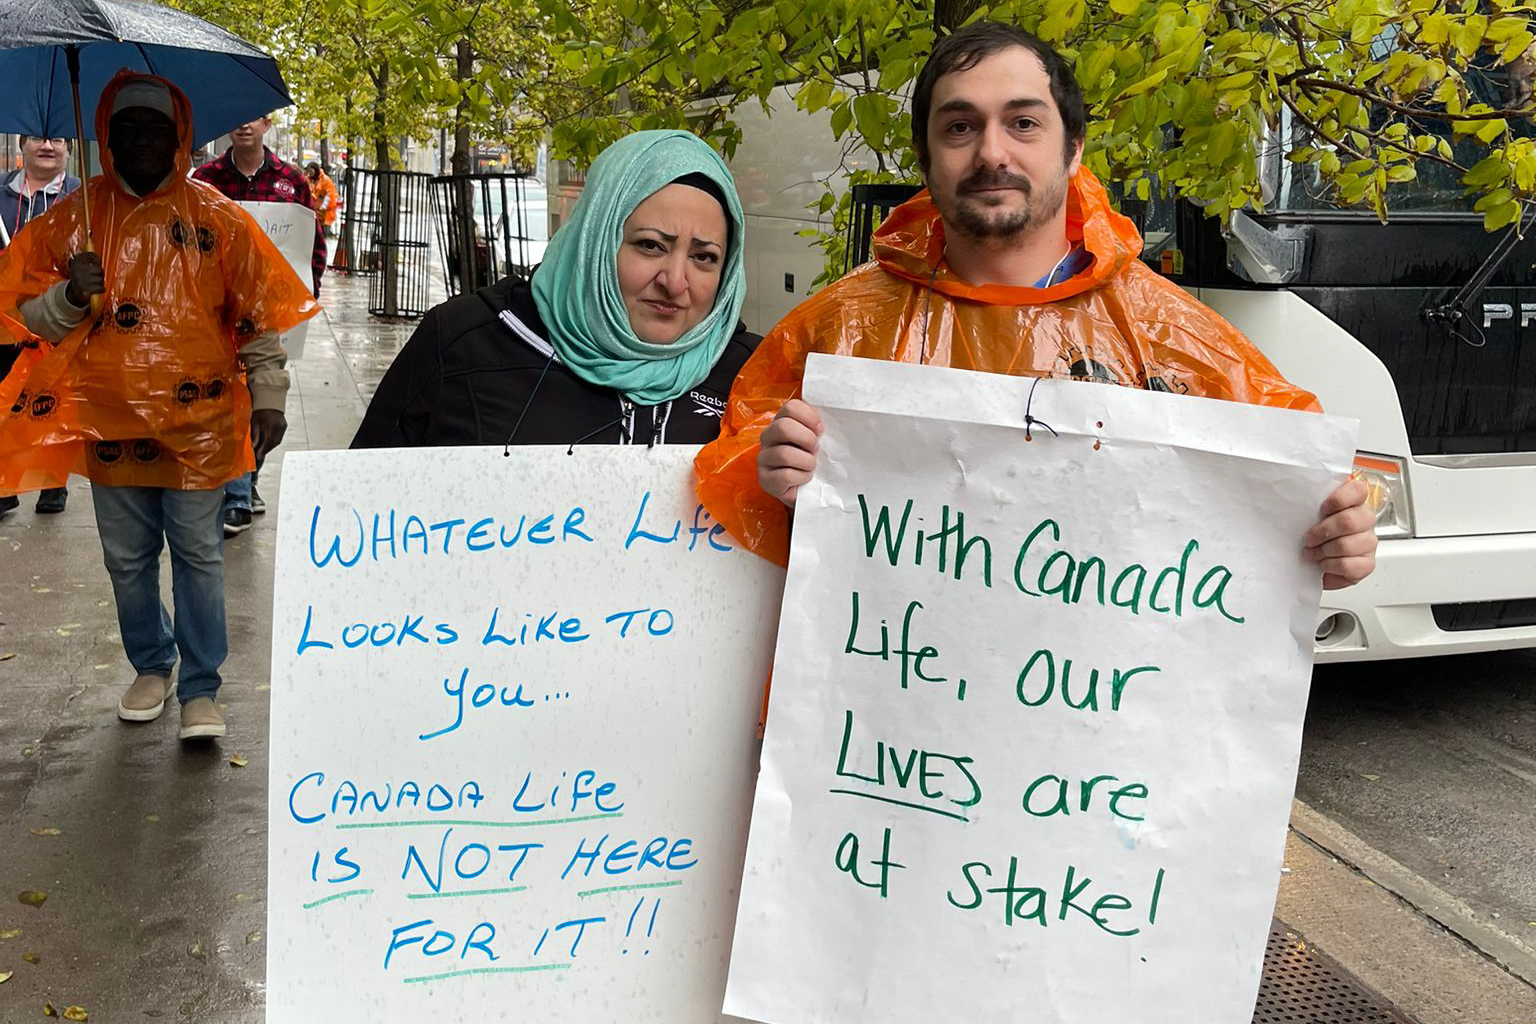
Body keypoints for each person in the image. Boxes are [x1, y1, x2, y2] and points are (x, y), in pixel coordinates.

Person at [695, 20, 1378, 590]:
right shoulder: (836, 329)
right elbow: (741, 489)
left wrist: (1335, 535)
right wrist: (771, 474)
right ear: (925, 159)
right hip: (892, 725)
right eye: (959, 128)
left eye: (1023, 122)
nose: (992, 152)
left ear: (1073, 148)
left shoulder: (1170, 335)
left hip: (1098, 724)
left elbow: (1293, 485)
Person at [0, 72, 318, 739]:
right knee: (126, 557)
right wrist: (66, 295)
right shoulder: (77, 218)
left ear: (177, 137)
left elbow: (258, 317)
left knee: (198, 553)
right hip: (110, 422)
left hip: (199, 423)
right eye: (127, 129)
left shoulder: (217, 219)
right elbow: (23, 312)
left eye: (155, 129)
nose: (142, 141)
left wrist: (271, 396)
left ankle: (202, 687)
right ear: (107, 138)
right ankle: (152, 662)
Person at [351, 129, 756, 449]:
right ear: (594, 239)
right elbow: (357, 518)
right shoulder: (464, 342)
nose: (675, 281)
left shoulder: (757, 377)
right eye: (650, 245)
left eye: (704, 257)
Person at [194, 114, 325, 535]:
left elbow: (311, 246)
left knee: (262, 395)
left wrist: (304, 297)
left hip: (269, 313)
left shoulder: (291, 181)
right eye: (234, 119)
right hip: (216, 311)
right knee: (230, 396)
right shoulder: (206, 178)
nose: (243, 126)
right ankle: (237, 488)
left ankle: (248, 476)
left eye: (253, 119)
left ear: (267, 124)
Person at [0, 135, 80, 516]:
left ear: (69, 149)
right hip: (5, 317)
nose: (47, 145)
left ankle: (52, 482)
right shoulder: (2, 192)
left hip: (56, 314)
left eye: (58, 140)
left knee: (54, 403)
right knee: (3, 401)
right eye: (38, 138)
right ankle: (4, 484)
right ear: (22, 146)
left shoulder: (81, 195)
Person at [305, 161, 339, 237]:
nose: (310, 173)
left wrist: (323, 207)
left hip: (321, 214)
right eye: (308, 171)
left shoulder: (325, 180)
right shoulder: (310, 179)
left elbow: (330, 195)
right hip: (313, 212)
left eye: (311, 171)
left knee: (320, 235)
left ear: (315, 170)